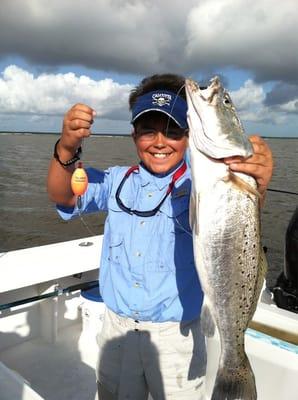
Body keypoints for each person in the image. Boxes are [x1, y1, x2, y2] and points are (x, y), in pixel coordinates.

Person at [47, 73, 274, 400]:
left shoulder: (204, 181)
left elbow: (238, 228)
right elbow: (62, 195)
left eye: (172, 130)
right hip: (117, 333)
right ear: (133, 135)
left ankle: (234, 362)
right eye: (147, 130)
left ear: (189, 133)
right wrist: (67, 147)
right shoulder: (115, 181)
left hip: (176, 339)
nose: (159, 142)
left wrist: (256, 182)